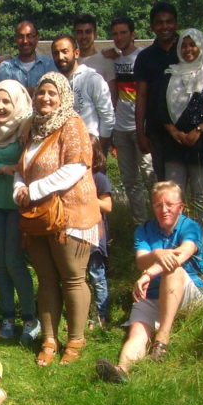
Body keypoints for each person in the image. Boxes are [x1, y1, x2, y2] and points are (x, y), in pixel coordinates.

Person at [14, 71, 100, 367]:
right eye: (41, 93)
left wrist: (34, 190)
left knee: (73, 277)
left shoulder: (72, 124)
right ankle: (49, 339)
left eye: (52, 93)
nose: (46, 98)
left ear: (63, 97)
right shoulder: (32, 127)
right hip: (39, 216)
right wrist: (19, 189)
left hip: (70, 214)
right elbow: (21, 167)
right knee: (47, 278)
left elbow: (75, 167)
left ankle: (75, 340)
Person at [95, 181, 203, 384]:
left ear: (180, 207)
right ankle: (122, 370)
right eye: (158, 205)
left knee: (173, 271)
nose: (164, 210)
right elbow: (141, 260)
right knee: (137, 332)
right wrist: (156, 253)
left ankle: (162, 339)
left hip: (188, 293)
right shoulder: (144, 230)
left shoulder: (191, 226)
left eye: (169, 204)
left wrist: (148, 274)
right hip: (154, 295)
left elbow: (182, 255)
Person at [146, 28, 203, 233]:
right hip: (174, 144)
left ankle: (202, 244)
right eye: (184, 44)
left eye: (192, 44)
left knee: (201, 196)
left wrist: (199, 130)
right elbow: (159, 108)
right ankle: (177, 242)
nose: (188, 49)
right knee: (174, 197)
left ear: (200, 46)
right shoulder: (170, 74)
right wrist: (174, 132)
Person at [0, 80, 39, 342]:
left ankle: (30, 318)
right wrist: (2, 169)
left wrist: (14, 168)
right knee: (0, 263)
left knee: (14, 261)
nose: (0, 106)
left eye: (6, 101)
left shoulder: (28, 127)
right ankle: (7, 317)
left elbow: (29, 162)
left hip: (17, 204)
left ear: (17, 103)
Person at [108, 16, 155, 225]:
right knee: (129, 180)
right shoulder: (113, 59)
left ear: (133, 34)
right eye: (115, 34)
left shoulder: (143, 57)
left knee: (150, 176)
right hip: (119, 127)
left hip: (141, 127)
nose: (119, 37)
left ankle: (161, 222)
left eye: (123, 32)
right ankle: (141, 224)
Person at [134, 1, 181, 178]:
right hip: (157, 131)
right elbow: (141, 96)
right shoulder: (145, 57)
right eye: (160, 23)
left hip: (187, 128)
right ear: (152, 26)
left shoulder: (188, 50)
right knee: (165, 183)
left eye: (169, 21)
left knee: (199, 185)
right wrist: (140, 133)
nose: (165, 26)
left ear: (176, 23)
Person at [50, 34, 114, 152]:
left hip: (91, 148)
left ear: (76, 53)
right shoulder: (53, 82)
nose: (60, 57)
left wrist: (101, 148)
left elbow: (108, 116)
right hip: (63, 149)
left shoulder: (92, 79)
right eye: (56, 53)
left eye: (65, 51)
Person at [87, 142, 113, 331]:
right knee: (79, 277)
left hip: (95, 235)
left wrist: (85, 196)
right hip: (74, 235)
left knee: (97, 275)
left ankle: (101, 315)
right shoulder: (69, 177)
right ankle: (83, 315)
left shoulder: (99, 178)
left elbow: (107, 206)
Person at [0, 20, 56, 94]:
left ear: (37, 39)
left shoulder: (49, 64)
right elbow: (4, 94)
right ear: (15, 39)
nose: (25, 41)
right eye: (20, 37)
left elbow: (54, 92)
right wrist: (39, 91)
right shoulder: (6, 67)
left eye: (29, 36)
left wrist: (17, 92)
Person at [72, 13, 117, 89]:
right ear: (75, 35)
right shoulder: (70, 61)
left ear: (95, 34)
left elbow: (112, 96)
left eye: (88, 32)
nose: (84, 36)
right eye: (80, 32)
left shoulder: (106, 60)